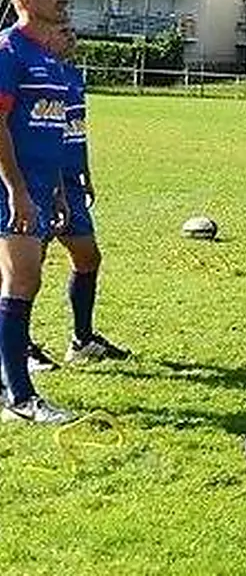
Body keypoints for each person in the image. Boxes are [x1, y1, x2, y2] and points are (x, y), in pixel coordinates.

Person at [0, 0, 76, 424]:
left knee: (18, 282)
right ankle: (22, 397)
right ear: (25, 0)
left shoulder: (46, 56)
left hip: (45, 187)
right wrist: (17, 190)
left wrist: (60, 190)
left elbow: (52, 131)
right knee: (22, 281)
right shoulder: (9, 50)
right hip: (14, 188)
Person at [48, 25, 129, 363]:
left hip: (71, 181)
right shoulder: (34, 71)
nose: (72, 37)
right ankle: (20, 348)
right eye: (64, 31)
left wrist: (85, 173)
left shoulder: (72, 75)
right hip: (42, 181)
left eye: (73, 31)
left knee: (88, 258)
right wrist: (53, 185)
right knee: (24, 269)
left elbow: (75, 130)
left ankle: (82, 341)